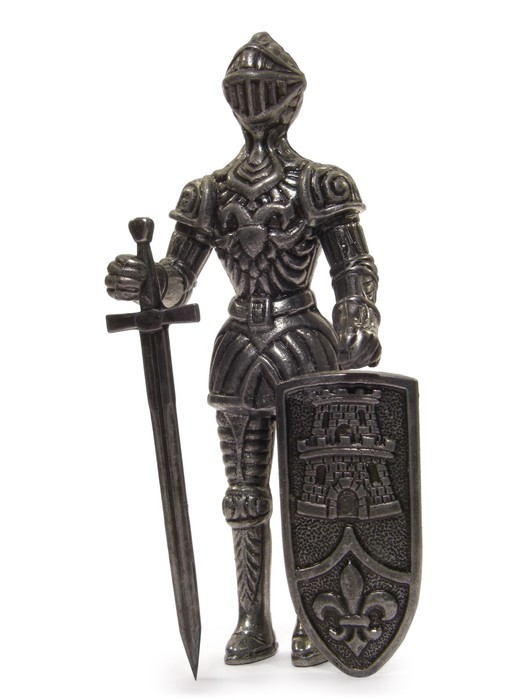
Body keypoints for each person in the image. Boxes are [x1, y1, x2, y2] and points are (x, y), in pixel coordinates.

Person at [105, 32, 381, 667]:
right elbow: (179, 275)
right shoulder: (208, 192)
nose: (255, 101)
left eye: (266, 91)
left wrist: (358, 313)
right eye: (245, 91)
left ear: (291, 99)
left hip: (305, 341)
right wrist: (146, 279)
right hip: (238, 347)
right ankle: (253, 617)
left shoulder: (319, 184)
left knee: (313, 492)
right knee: (243, 491)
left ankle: (314, 614)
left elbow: (352, 266)